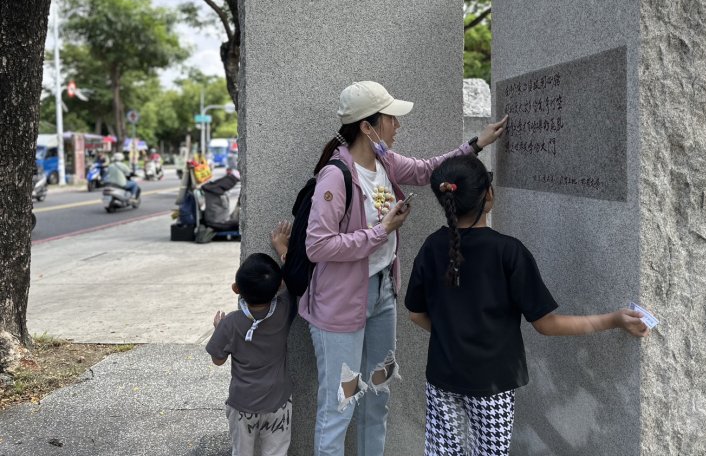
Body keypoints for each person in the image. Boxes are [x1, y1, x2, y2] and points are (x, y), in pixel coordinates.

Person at [301, 80, 507, 456]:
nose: (397, 125)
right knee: (339, 406)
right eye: (391, 118)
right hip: (340, 306)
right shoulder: (336, 175)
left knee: (378, 397)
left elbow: (428, 170)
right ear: (367, 126)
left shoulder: (385, 160)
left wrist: (476, 144)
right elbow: (317, 246)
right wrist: (381, 231)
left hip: (382, 297)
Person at [404, 154, 650, 455]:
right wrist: (613, 319)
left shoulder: (431, 246)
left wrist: (450, 335)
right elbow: (546, 324)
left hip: (443, 377)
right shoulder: (509, 252)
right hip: (493, 384)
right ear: (489, 195)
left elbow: (416, 314)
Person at [207, 221, 295, 456]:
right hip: (278, 402)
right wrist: (281, 247)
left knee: (242, 452)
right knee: (276, 452)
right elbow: (291, 283)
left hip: (243, 406)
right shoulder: (284, 310)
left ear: (236, 288)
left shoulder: (230, 323)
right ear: (278, 286)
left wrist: (219, 329)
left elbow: (217, 360)